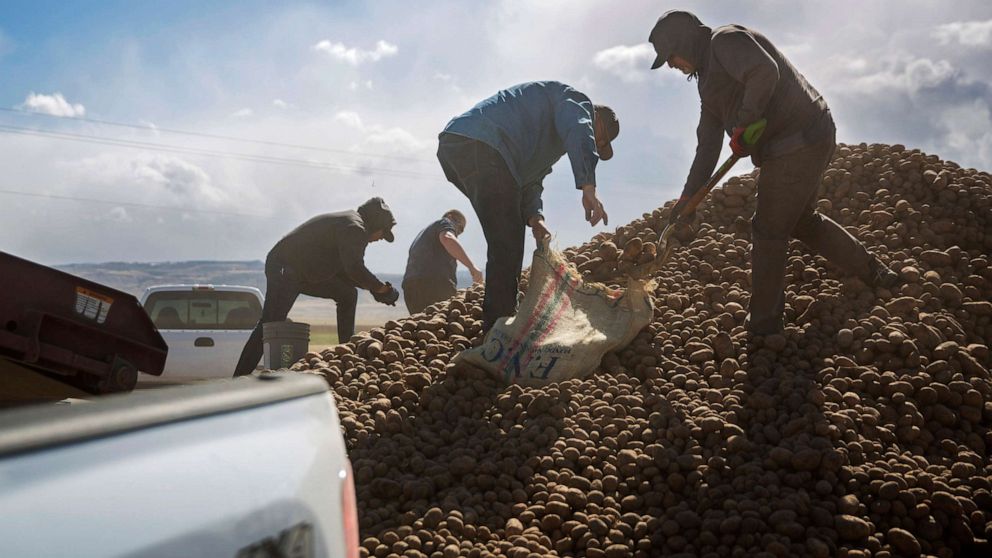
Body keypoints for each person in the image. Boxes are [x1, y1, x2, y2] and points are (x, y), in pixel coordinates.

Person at [648, 10, 900, 335]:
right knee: (800, 220)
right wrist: (688, 197)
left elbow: (763, 70)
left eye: (670, 56)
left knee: (767, 228)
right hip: (803, 138)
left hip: (798, 137)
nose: (671, 65)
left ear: (683, 42)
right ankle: (876, 272)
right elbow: (707, 146)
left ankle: (764, 325)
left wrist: (745, 121)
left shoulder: (724, 40)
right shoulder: (708, 86)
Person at [437, 81, 619, 331]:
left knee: (506, 233)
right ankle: (498, 329)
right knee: (507, 242)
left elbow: (528, 180)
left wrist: (536, 220)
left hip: (459, 146)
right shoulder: (577, 103)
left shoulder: (545, 139)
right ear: (597, 121)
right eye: (600, 141)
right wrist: (588, 186)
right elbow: (580, 129)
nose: (596, 145)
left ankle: (501, 317)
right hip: (482, 143)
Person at [233, 197, 400, 376]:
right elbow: (354, 269)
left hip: (304, 274)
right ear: (375, 223)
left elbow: (346, 272)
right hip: (285, 268)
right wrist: (381, 289)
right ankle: (238, 379)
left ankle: (347, 353)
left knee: (347, 294)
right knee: (270, 322)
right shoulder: (355, 228)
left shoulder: (350, 226)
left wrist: (375, 289)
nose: (381, 238)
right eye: (383, 233)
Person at [402, 209, 483, 314]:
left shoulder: (424, 236)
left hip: (411, 288)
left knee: (423, 324)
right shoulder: (444, 223)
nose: (458, 232)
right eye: (459, 226)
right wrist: (472, 267)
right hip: (434, 284)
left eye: (461, 231)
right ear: (449, 217)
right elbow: (447, 238)